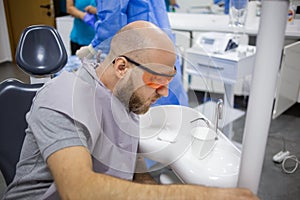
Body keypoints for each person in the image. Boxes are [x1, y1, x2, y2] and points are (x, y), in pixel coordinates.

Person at [2, 21, 258, 200]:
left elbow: (134, 169)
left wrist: (148, 183)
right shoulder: (66, 95)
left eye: (168, 82)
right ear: (122, 67)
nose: (165, 93)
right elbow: (77, 190)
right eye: (156, 81)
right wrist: (201, 195)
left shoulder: (126, 101)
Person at [76, 0, 189, 107]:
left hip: (138, 51)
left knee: (145, 106)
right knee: (170, 108)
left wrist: (95, 46)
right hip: (161, 44)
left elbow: (112, 17)